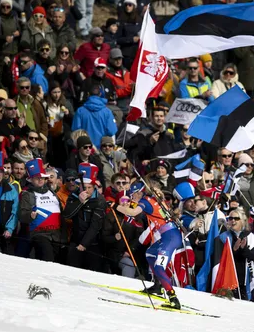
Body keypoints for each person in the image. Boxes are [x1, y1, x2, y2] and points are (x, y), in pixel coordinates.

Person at [115, 181, 183, 309]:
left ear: (139, 192)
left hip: (171, 237)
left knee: (158, 267)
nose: (131, 197)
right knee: (150, 253)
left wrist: (115, 206)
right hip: (168, 235)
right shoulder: (152, 199)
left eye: (133, 195)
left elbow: (133, 212)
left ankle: (173, 298)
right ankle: (158, 285)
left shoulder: (145, 201)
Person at [19, 158, 65, 261]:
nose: (40, 179)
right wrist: (30, 215)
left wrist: (64, 236)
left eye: (42, 177)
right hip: (39, 234)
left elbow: (61, 214)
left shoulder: (53, 193)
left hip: (56, 235)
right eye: (36, 178)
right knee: (47, 258)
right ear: (31, 180)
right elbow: (22, 215)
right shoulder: (27, 194)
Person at [63, 163, 106, 272]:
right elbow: (66, 214)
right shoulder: (73, 196)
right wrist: (79, 202)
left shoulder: (99, 200)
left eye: (89, 187)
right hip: (76, 239)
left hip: (92, 242)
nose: (86, 190)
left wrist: (84, 244)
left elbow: (95, 226)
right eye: (83, 187)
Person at [215, 208, 254, 300]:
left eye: (236, 218)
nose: (233, 221)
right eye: (230, 218)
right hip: (228, 278)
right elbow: (220, 259)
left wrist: (243, 249)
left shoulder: (250, 237)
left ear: (243, 220)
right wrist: (234, 250)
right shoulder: (223, 237)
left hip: (244, 279)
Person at [72, 85, 117, 150]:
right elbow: (111, 131)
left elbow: (76, 131)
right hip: (102, 149)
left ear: (88, 94)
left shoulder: (80, 111)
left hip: (85, 149)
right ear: (100, 94)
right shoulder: (107, 112)